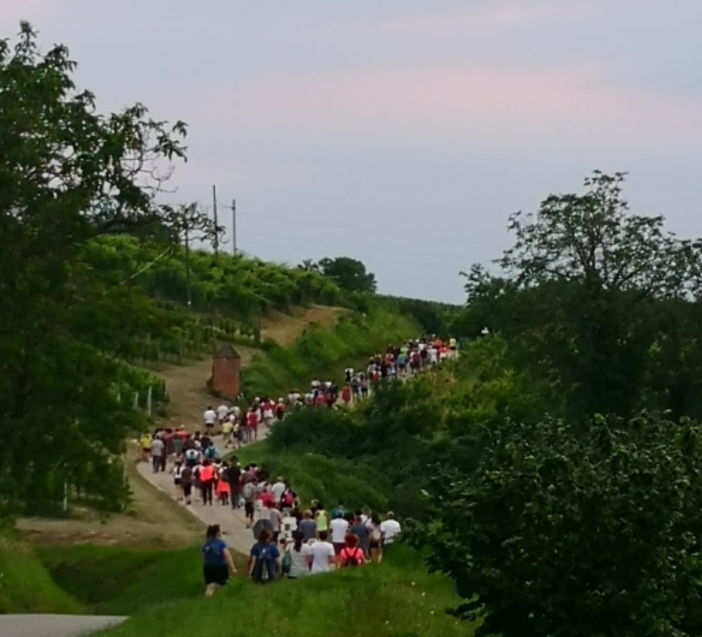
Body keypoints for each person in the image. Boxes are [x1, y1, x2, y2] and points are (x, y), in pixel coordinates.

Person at [202, 524, 237, 596]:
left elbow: (204, 557)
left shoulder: (206, 544)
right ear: (217, 532)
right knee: (222, 585)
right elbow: (227, 555)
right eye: (220, 530)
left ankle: (208, 598)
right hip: (220, 566)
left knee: (210, 586)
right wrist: (233, 568)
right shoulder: (221, 543)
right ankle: (222, 600)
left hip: (208, 567)